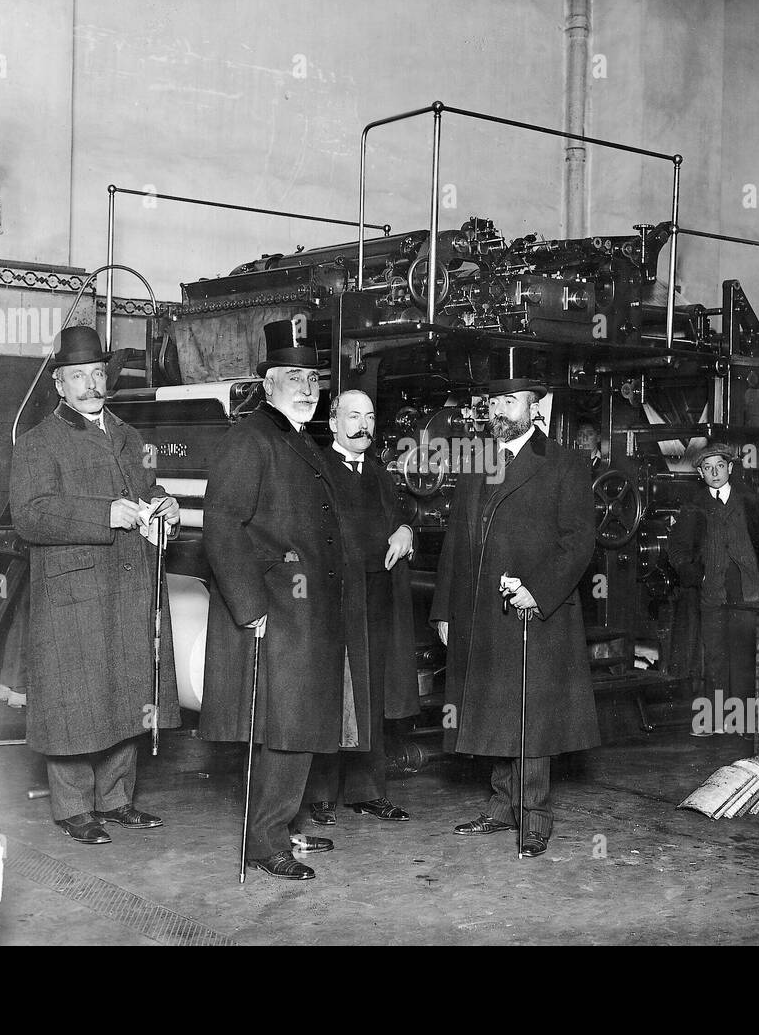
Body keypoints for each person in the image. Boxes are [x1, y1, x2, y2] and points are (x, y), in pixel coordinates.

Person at [10, 325, 181, 844]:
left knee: (125, 690)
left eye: (97, 374)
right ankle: (72, 808)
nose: (90, 385)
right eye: (78, 376)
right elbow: (31, 516)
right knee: (73, 698)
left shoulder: (130, 437)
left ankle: (116, 800)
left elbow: (147, 488)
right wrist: (104, 514)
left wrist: (166, 503)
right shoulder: (38, 442)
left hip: (129, 583)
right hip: (74, 590)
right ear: (58, 385)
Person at [200, 319, 353, 882]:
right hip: (276, 610)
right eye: (293, 378)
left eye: (313, 378)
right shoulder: (250, 438)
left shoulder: (293, 438)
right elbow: (222, 526)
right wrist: (250, 607)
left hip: (304, 609)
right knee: (281, 728)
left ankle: (282, 824)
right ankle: (264, 842)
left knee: (298, 725)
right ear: (267, 384)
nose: (307, 388)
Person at [430, 378, 600, 857]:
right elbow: (455, 542)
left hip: (533, 610)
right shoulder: (477, 460)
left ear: (535, 406)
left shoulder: (565, 463)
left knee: (533, 716)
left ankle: (535, 820)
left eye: (509, 400)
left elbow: (578, 542)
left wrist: (536, 592)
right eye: (493, 401)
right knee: (496, 709)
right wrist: (444, 608)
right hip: (481, 611)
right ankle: (502, 808)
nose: (498, 410)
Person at [305, 389, 420, 827]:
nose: (363, 425)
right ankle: (318, 794)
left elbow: (403, 513)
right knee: (329, 693)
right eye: (353, 416)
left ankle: (368, 792)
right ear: (333, 422)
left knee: (369, 693)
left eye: (370, 417)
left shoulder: (379, 473)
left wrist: (407, 528)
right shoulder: (315, 469)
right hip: (329, 601)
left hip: (374, 600)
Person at [668, 442, 759, 709]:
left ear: (730, 468)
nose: (715, 472)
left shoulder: (751, 501)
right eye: (707, 468)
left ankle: (744, 717)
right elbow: (677, 549)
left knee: (745, 654)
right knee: (716, 656)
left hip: (747, 590)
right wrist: (697, 577)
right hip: (713, 591)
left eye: (720, 466)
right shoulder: (694, 506)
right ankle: (718, 716)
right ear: (700, 474)